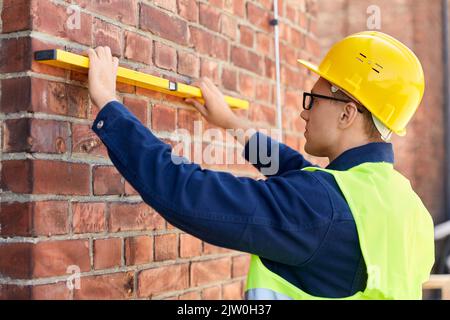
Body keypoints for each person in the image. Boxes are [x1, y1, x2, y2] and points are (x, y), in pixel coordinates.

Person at [88, 31, 434, 300]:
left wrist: (110, 106)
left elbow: (187, 194)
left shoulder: (321, 207)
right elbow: (296, 172)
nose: (304, 111)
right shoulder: (410, 210)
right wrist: (232, 125)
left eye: (313, 99)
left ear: (347, 112)